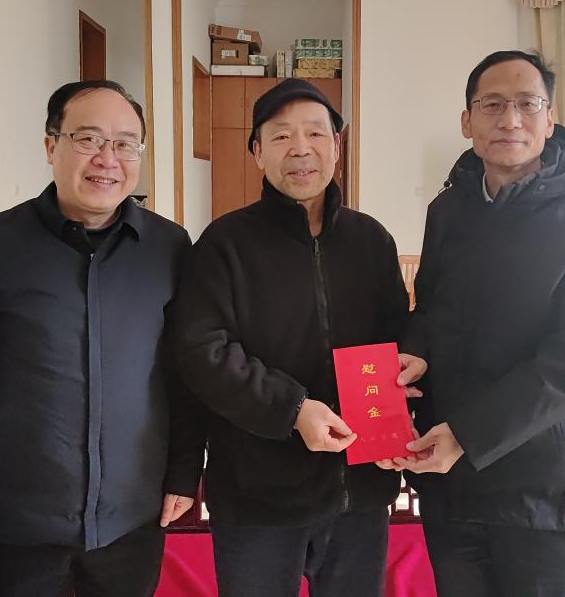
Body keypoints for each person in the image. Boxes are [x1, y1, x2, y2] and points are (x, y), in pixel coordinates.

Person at [0, 80, 203, 596]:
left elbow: (182, 376)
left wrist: (184, 474)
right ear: (51, 146)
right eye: (88, 139)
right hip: (17, 522)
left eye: (125, 144)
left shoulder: (168, 246)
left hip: (131, 517)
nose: (107, 159)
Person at [171, 78, 425, 597]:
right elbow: (202, 352)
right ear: (258, 152)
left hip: (360, 491)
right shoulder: (225, 243)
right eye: (282, 136)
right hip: (257, 498)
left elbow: (395, 337)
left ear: (337, 145)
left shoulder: (371, 240)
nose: (301, 149)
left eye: (315, 133)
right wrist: (293, 410)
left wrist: (404, 393)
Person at [391, 51, 565, 596]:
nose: (510, 120)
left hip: (545, 483)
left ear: (550, 119)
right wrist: (416, 349)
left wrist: (469, 435)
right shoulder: (448, 210)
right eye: (492, 105)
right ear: (467, 120)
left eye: (527, 104)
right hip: (452, 477)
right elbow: (431, 307)